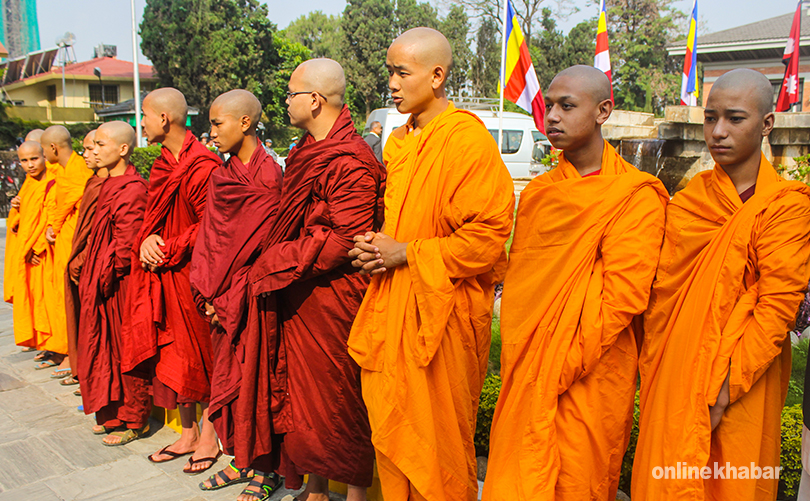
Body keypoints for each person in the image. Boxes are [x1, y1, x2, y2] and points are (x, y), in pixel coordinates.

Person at [481, 66, 669, 501]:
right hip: (529, 367)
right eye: (550, 105)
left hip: (594, 373)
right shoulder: (539, 194)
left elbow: (624, 297)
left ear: (604, 111)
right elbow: (523, 291)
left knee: (580, 481)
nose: (553, 117)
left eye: (568, 106)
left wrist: (558, 368)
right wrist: (534, 365)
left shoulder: (635, 195)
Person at [348, 28, 514, 500]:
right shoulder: (400, 141)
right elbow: (405, 223)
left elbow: (486, 238)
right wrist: (379, 248)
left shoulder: (466, 141)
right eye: (390, 73)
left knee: (437, 450)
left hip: (443, 318)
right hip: (396, 303)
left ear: (437, 75)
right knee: (395, 439)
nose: (393, 84)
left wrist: (407, 252)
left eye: (403, 72)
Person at [632, 69, 810, 499]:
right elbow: (664, 300)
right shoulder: (691, 200)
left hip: (743, 384)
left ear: (767, 124)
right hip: (676, 375)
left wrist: (723, 393)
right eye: (710, 118)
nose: (718, 131)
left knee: (734, 484)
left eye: (734, 119)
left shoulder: (786, 208)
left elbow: (775, 312)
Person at [237, 58, 385, 501]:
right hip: (301, 292)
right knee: (302, 398)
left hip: (333, 296)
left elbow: (345, 238)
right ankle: (316, 487)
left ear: (315, 100)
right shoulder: (305, 151)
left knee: (340, 400)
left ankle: (356, 494)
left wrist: (274, 260)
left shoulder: (352, 160)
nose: (285, 102)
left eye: (291, 94)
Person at [121, 88, 222, 471]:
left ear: (164, 118)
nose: (140, 123)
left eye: (144, 115)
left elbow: (210, 224)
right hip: (162, 276)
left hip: (192, 274)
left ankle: (209, 436)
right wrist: (146, 240)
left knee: (202, 355)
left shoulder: (204, 165)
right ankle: (187, 432)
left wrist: (167, 246)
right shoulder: (163, 164)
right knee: (173, 355)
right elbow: (152, 215)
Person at [189, 89, 284, 496]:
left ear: (245, 123)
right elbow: (211, 240)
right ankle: (241, 460)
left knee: (258, 383)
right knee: (228, 380)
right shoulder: (221, 176)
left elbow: (269, 245)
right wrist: (209, 293)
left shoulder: (270, 176)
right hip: (222, 297)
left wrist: (232, 295)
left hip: (255, 299)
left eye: (216, 123)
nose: (210, 132)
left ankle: (267, 470)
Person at [78, 121, 151, 445]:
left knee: (124, 351)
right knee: (102, 348)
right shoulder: (109, 183)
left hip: (119, 285)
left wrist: (103, 276)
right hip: (102, 281)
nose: (95, 150)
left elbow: (126, 245)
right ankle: (112, 412)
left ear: (122, 149)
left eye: (101, 145)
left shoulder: (132, 187)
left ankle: (135, 419)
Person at [39, 125, 93, 377]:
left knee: (70, 299)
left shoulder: (76, 169)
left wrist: (53, 225)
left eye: (42, 149)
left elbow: (71, 201)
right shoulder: (65, 168)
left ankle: (73, 355)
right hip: (63, 238)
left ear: (53, 148)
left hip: (72, 238)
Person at [62, 130, 109, 390]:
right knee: (86, 325)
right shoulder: (93, 183)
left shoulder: (115, 187)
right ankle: (86, 372)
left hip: (101, 270)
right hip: (85, 266)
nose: (86, 155)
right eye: (87, 149)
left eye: (93, 148)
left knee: (102, 331)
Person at [4, 142, 54, 351]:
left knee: (51, 302)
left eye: (34, 159)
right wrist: (17, 208)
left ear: (44, 156)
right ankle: (46, 345)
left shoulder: (52, 181)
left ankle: (59, 349)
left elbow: (52, 219)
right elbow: (18, 224)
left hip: (44, 252)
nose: (30, 165)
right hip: (29, 254)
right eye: (24, 160)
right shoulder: (28, 183)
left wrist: (38, 247)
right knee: (35, 300)